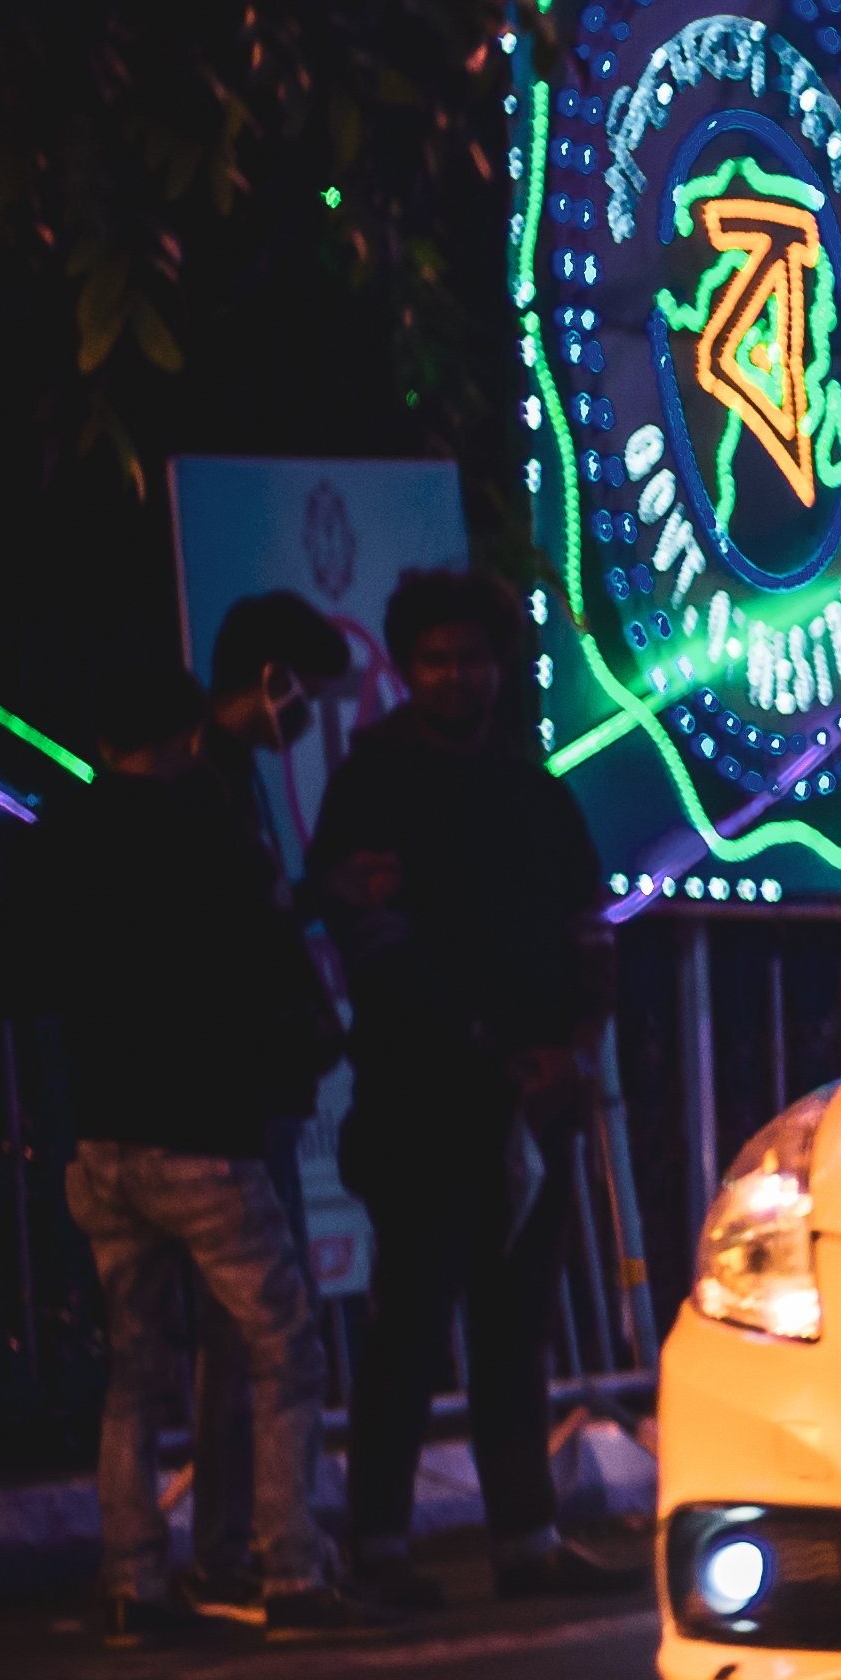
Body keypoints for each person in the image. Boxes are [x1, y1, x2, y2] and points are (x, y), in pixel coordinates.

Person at [9, 652, 355, 1645]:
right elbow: (259, 960)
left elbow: (25, 976)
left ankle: (133, 1580)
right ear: (183, 732)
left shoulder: (59, 832)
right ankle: (290, 1567)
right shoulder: (208, 831)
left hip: (102, 1133)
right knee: (281, 1347)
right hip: (204, 1132)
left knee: (134, 1365)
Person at [309, 568, 615, 1605]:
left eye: (473, 657)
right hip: (421, 1100)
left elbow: (588, 921)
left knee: (513, 1325)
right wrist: (489, 1044)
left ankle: (526, 1538)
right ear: (402, 665)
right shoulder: (373, 784)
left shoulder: (534, 787)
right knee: (410, 1324)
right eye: (437, 659)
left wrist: (572, 1039)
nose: (457, 677)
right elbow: (374, 939)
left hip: (534, 1102)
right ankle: (380, 1548)